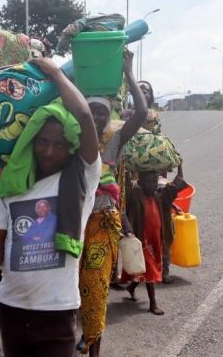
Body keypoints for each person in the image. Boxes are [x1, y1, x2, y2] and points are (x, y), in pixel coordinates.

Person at [0, 57, 101, 357]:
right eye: (42, 141)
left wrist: (55, 73)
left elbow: (84, 118)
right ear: (31, 141)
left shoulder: (81, 178)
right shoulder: (12, 185)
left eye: (59, 144)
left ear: (70, 147)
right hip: (12, 309)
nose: (49, 151)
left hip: (57, 310)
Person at [78, 49, 148, 356]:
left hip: (102, 225)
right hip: (70, 223)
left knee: (94, 287)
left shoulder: (112, 143)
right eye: (89, 111)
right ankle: (70, 336)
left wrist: (128, 73)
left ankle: (93, 346)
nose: (95, 117)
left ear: (108, 117)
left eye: (101, 113)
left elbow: (142, 114)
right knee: (68, 288)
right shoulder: (71, 141)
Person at [121, 171, 188, 315]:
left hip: (155, 239)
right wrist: (127, 172)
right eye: (147, 182)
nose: (151, 185)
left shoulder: (159, 197)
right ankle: (153, 304)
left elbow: (176, 186)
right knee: (150, 269)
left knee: (145, 268)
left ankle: (132, 287)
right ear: (140, 183)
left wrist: (179, 165)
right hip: (142, 240)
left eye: (153, 182)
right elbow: (125, 189)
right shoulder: (136, 198)